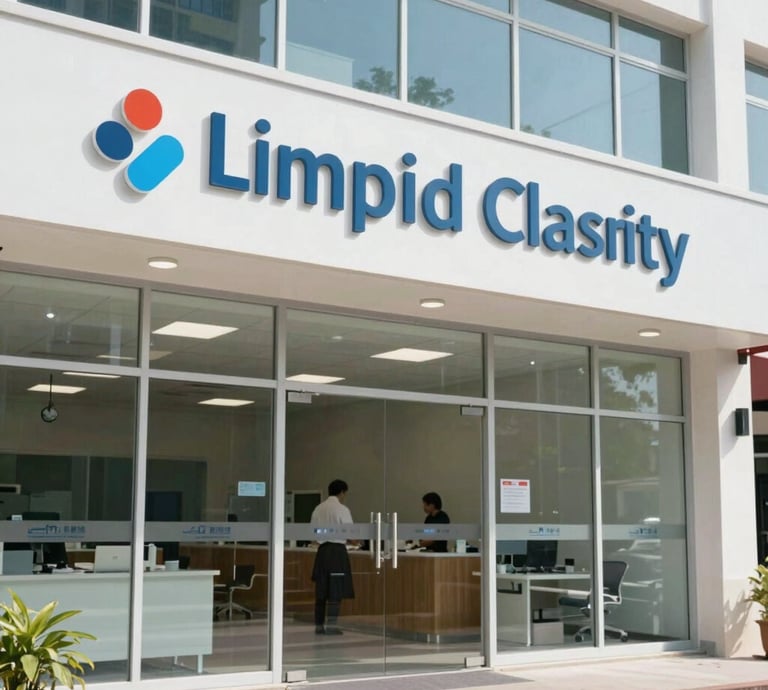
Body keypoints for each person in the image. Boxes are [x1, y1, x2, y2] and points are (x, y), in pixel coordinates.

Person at [310, 479, 356, 635]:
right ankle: (331, 625)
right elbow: (349, 533)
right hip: (337, 552)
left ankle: (318, 625)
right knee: (335, 590)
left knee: (321, 590)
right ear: (342, 492)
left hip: (322, 552)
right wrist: (357, 541)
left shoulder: (318, 508)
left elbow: (313, 534)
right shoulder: (342, 509)